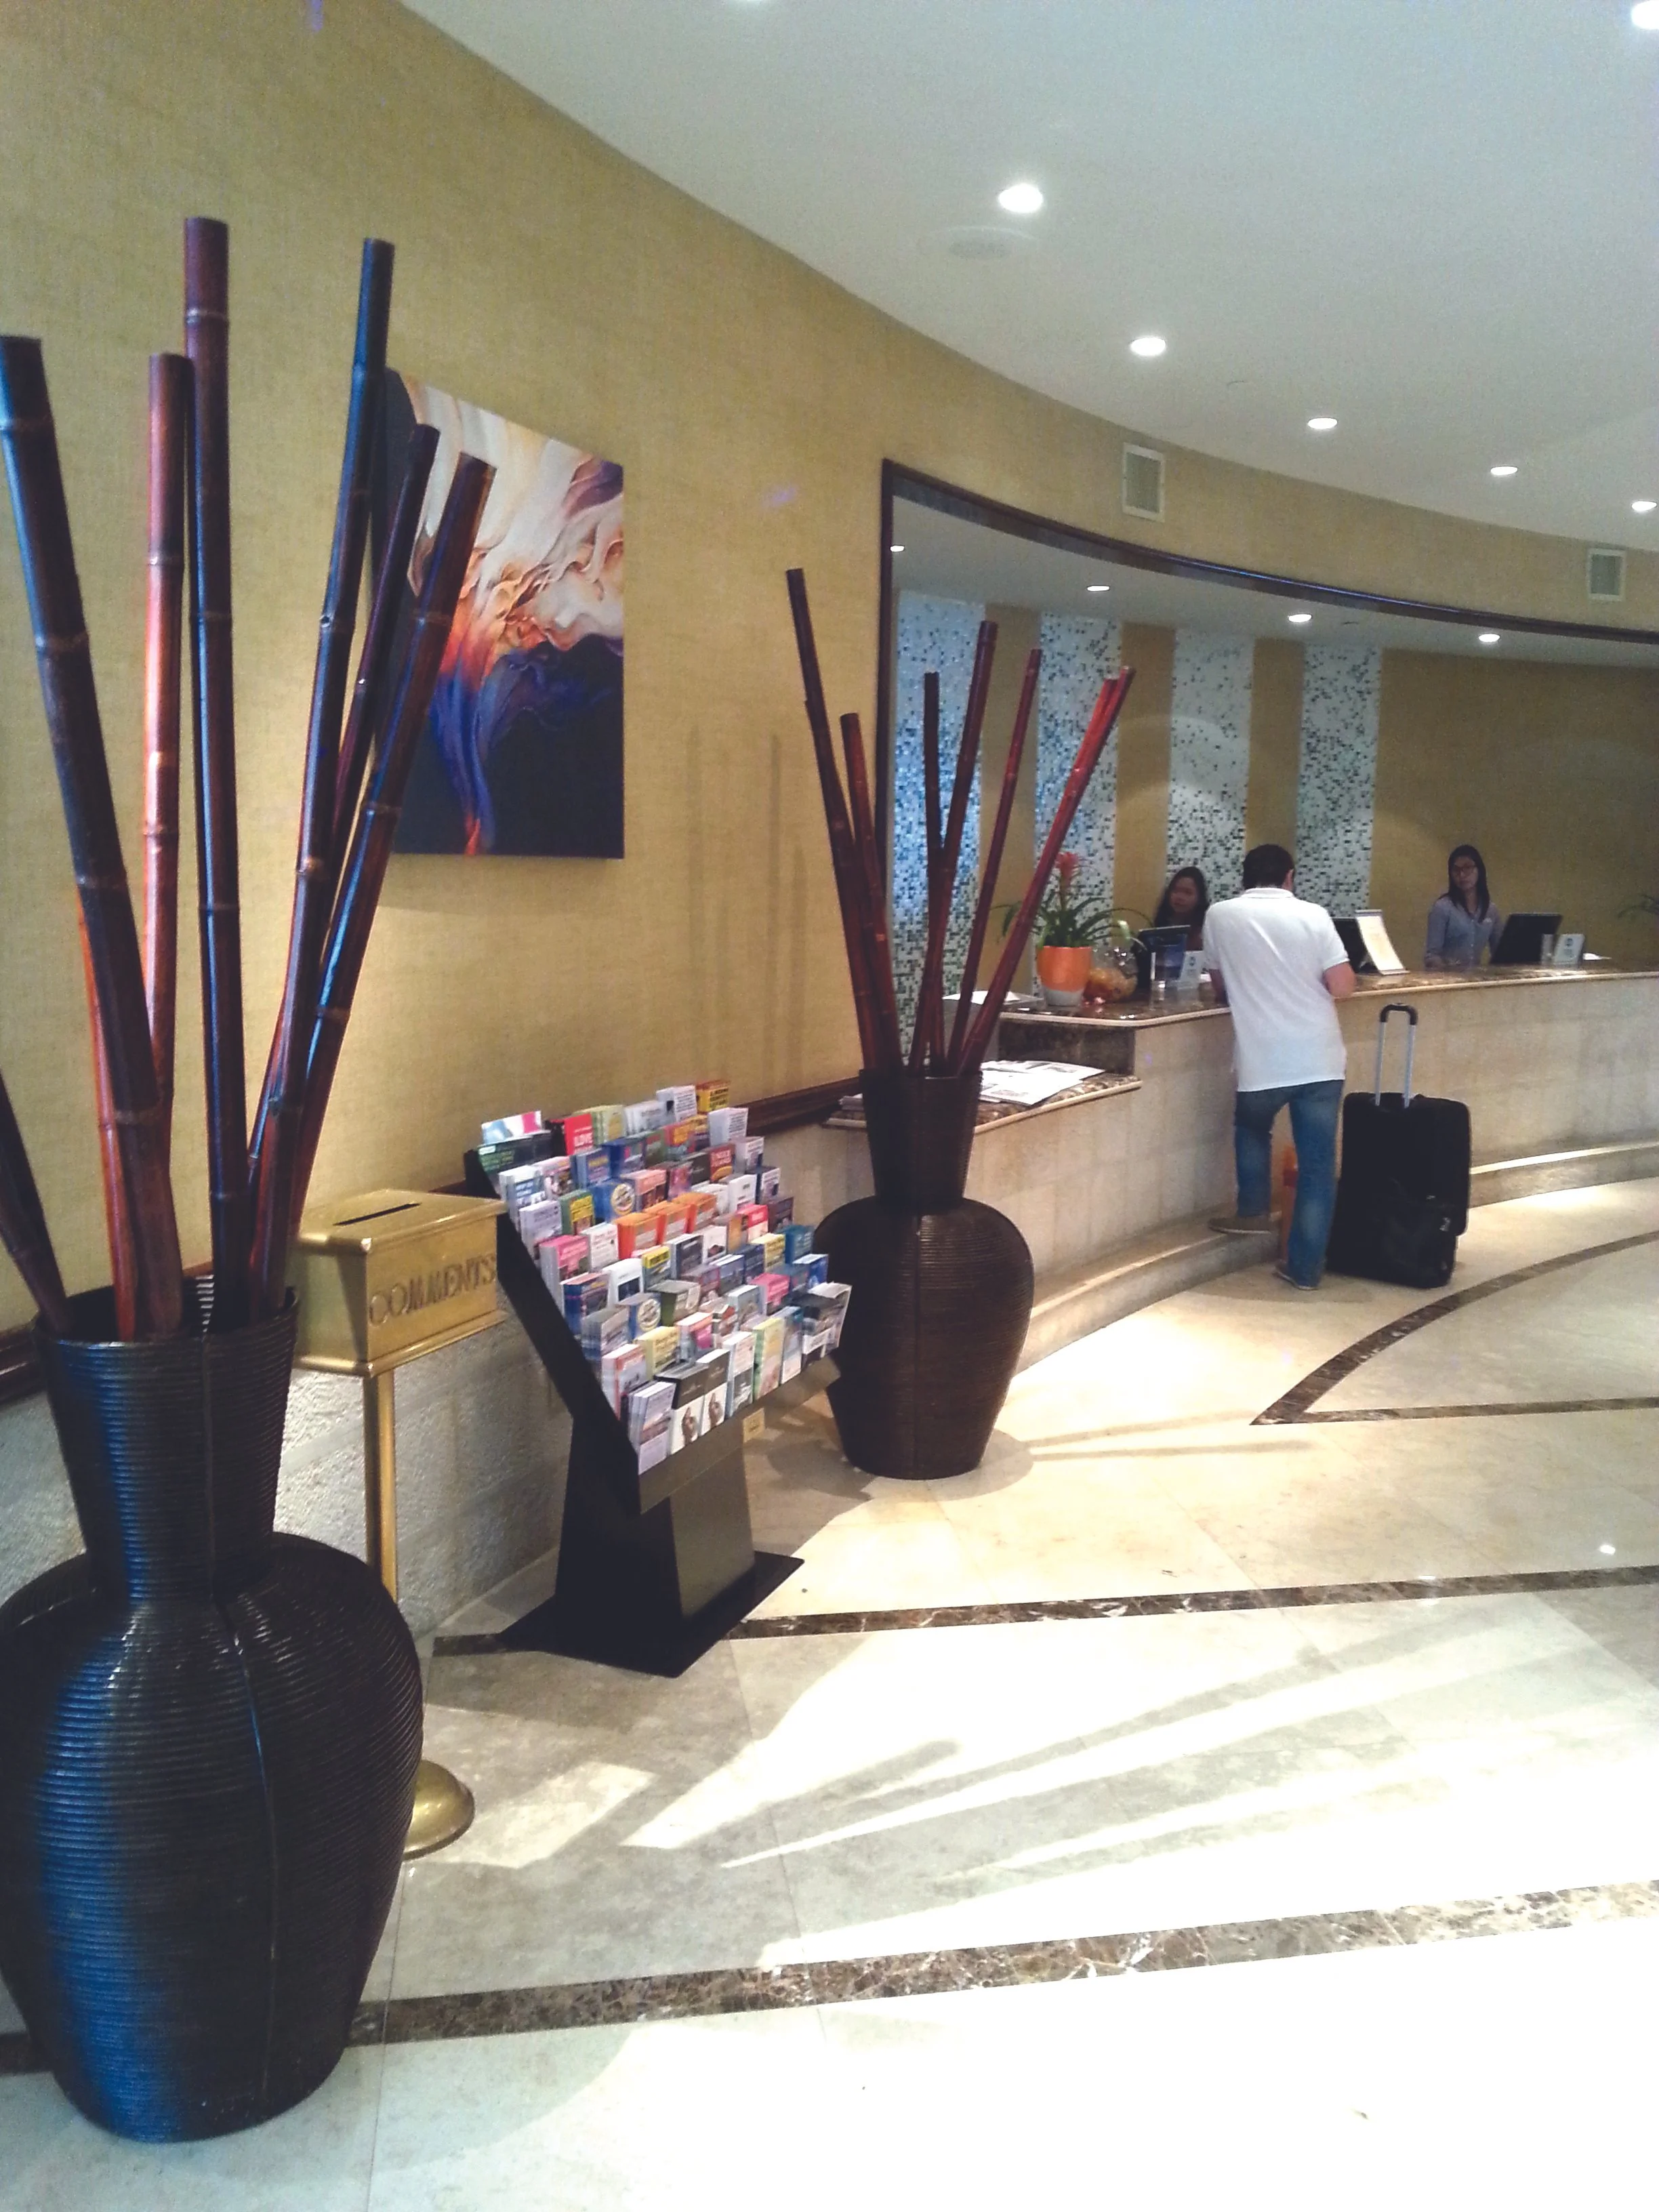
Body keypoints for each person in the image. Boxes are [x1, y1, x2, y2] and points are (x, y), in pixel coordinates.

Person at [1202, 843, 1356, 1290]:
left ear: (1245, 877)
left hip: (1262, 1060)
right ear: (1290, 877)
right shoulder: (1314, 915)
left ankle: (1252, 1209)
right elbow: (1342, 986)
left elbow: (1220, 988)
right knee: (1317, 1168)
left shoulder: (1220, 916)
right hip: (1320, 1060)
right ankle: (1305, 1271)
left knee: (1252, 1127)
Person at [1425, 844, 1501, 969]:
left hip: (1476, 980)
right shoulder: (1443, 908)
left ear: (1479, 870)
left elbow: (1500, 953)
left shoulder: (1491, 910)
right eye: (1456, 870)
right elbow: (1432, 956)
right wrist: (1447, 969)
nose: (1462, 875)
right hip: (1447, 980)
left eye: (1468, 868)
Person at [1153, 865, 1210, 949]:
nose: (1180, 897)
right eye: (1176, 891)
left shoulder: (1206, 928)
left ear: (1199, 897)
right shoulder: (1162, 922)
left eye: (1187, 893)